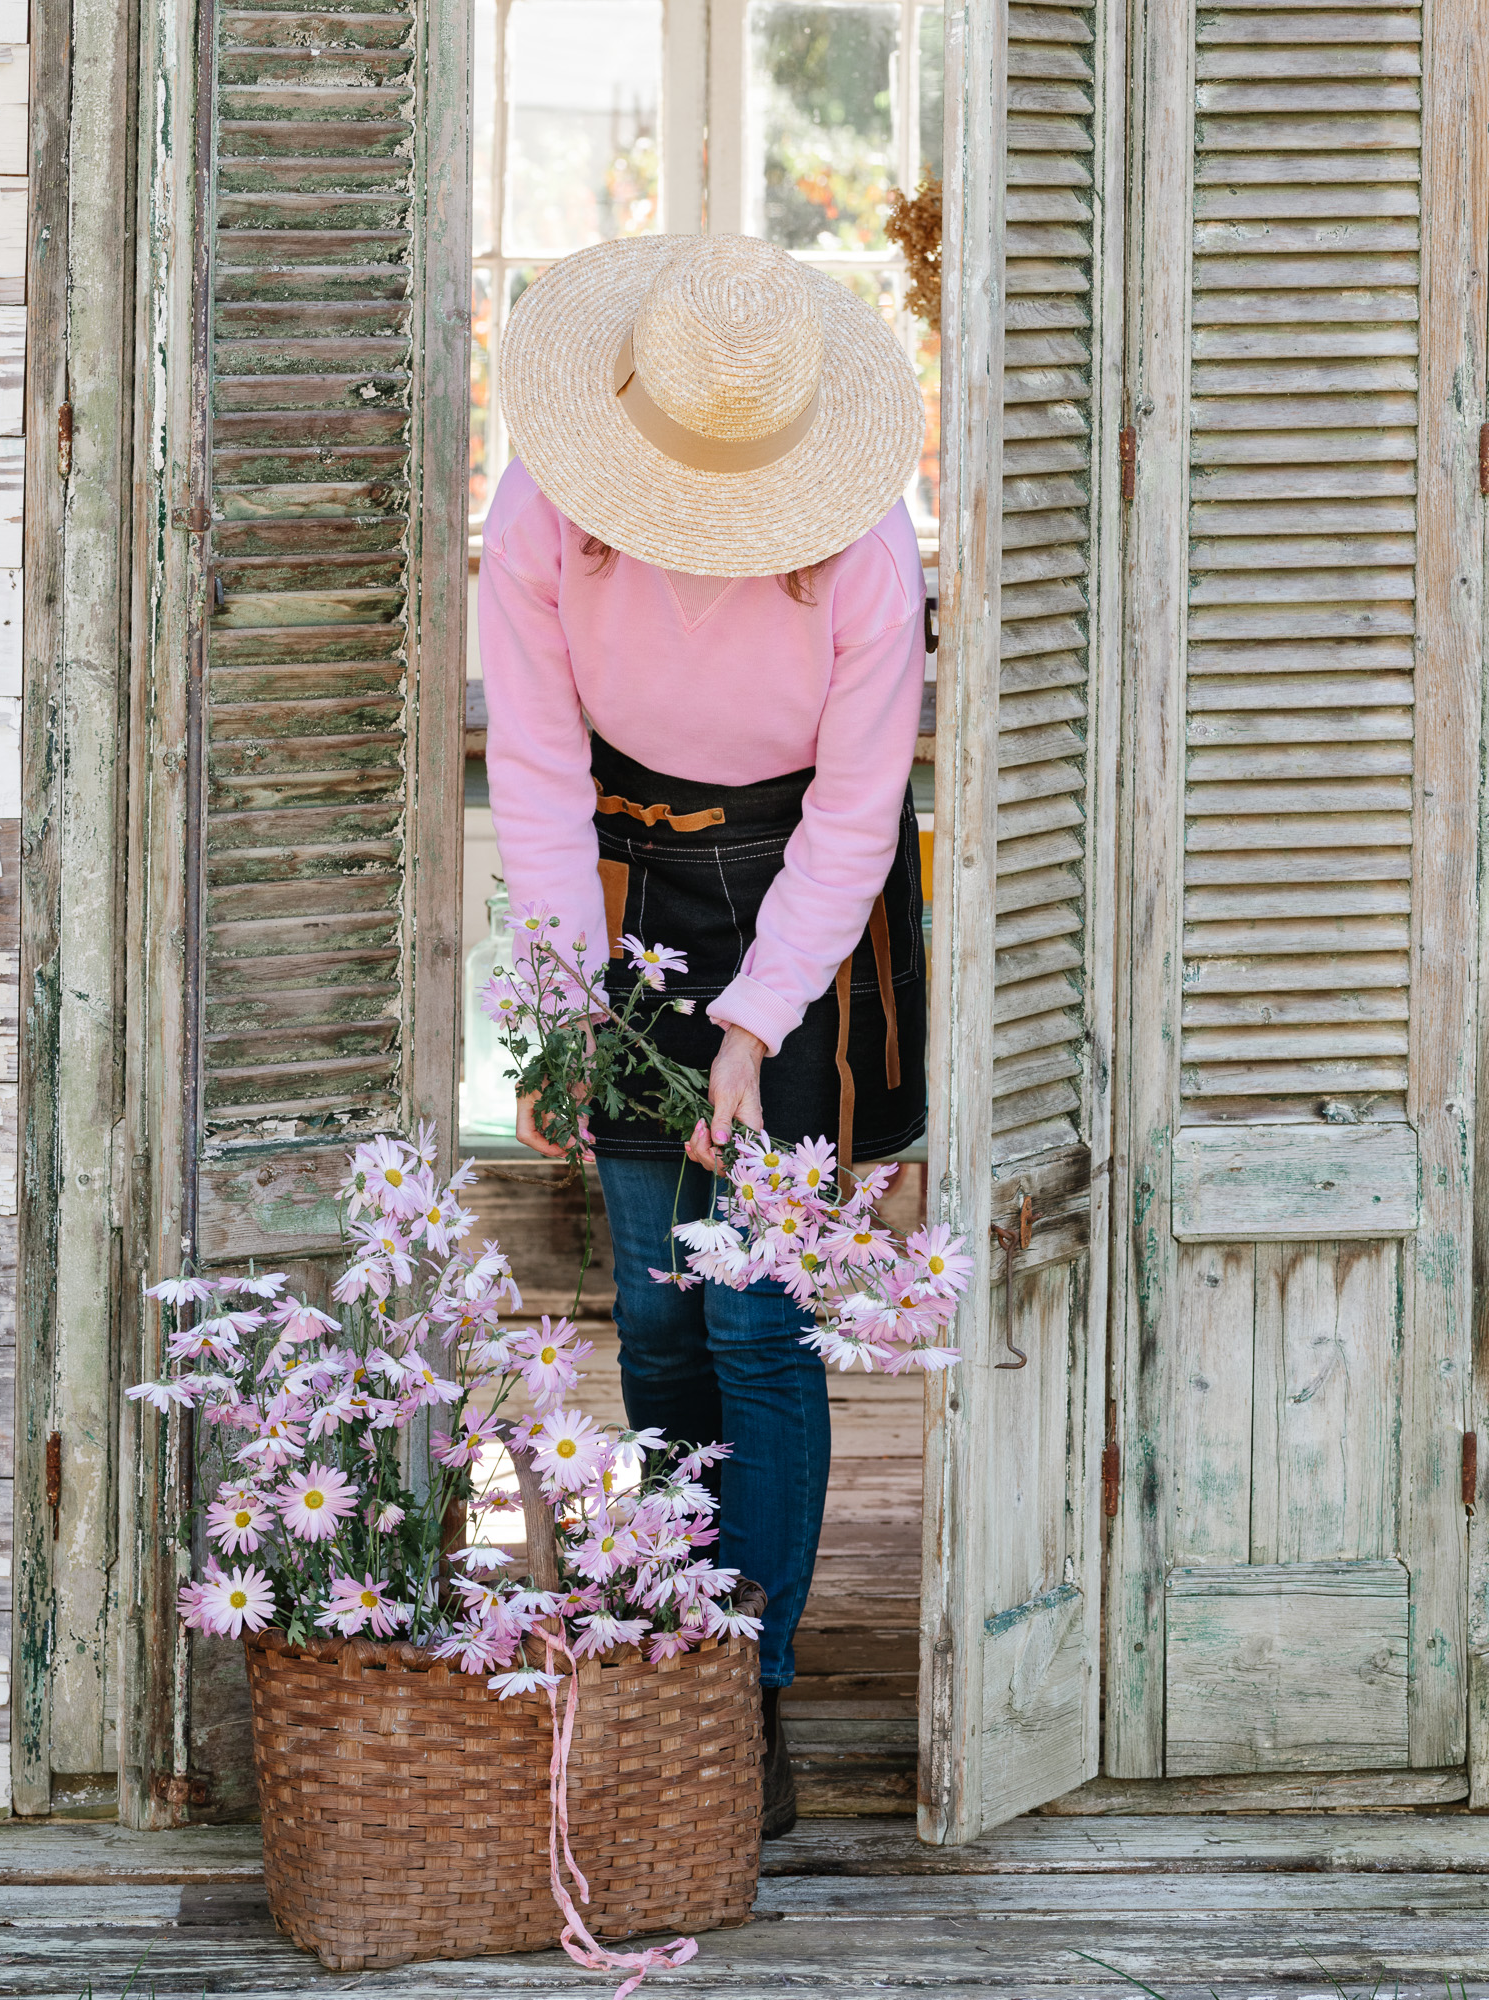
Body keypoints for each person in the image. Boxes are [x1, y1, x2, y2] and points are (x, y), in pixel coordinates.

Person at [478, 232, 928, 1838]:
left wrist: (752, 1028)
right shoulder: (542, 512)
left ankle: (760, 1682)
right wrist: (559, 1007)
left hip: (803, 901)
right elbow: (531, 771)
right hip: (626, 890)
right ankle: (674, 1645)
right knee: (662, 1319)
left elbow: (865, 809)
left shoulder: (867, 553)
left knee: (758, 1326)